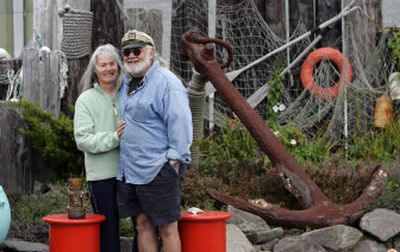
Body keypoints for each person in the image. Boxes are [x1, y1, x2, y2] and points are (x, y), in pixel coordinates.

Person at [117, 29, 193, 252]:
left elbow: (181, 123)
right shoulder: (126, 83)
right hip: (131, 170)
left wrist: (174, 161)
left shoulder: (167, 83)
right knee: (142, 225)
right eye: (127, 52)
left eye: (137, 51)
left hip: (158, 169)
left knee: (167, 229)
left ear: (151, 53)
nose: (131, 56)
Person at [74, 44, 125, 252]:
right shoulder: (85, 100)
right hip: (102, 175)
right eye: (103, 65)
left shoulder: (129, 94)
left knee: (143, 223)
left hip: (134, 171)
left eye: (112, 63)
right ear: (95, 69)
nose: (108, 68)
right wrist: (114, 137)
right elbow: (83, 139)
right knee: (108, 228)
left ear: (119, 66)